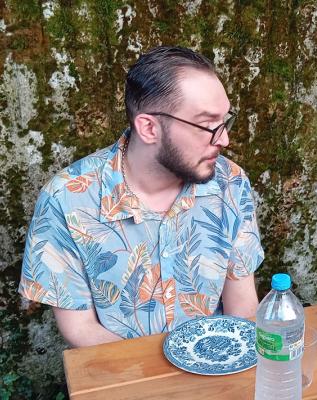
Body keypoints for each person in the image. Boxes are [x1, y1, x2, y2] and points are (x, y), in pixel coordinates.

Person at [19, 46, 264, 347]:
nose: (224, 139)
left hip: (215, 370)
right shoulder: (67, 199)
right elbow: (80, 329)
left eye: (225, 120)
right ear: (149, 127)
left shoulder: (231, 183)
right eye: (207, 124)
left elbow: (243, 307)